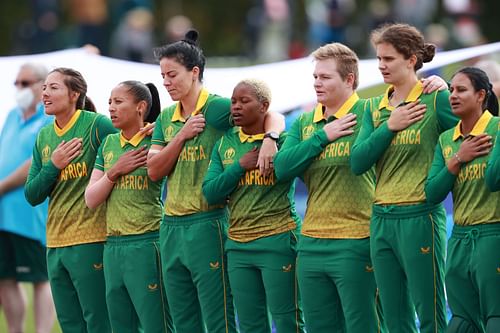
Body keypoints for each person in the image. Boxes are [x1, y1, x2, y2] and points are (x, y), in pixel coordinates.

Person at [147, 30, 285, 332]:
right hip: (170, 227)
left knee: (219, 317)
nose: (166, 82)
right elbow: (154, 171)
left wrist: (270, 139)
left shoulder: (219, 108)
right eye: (163, 76)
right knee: (183, 321)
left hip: (208, 222)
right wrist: (181, 136)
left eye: (172, 75)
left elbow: (271, 114)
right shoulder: (167, 118)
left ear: (194, 72)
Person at [350, 23, 459, 333]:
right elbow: (358, 162)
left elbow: (478, 123)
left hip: (420, 216)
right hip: (381, 218)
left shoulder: (436, 99)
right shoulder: (373, 108)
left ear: (411, 59)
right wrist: (390, 126)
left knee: (431, 315)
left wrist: (448, 85)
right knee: (394, 318)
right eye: (379, 59)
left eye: (389, 59)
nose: (381, 66)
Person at [274, 43, 382, 333]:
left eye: (325, 77)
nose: (317, 83)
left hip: (356, 239)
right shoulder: (306, 122)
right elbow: (282, 168)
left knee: (363, 326)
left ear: (349, 79)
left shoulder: (370, 111)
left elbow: (409, 100)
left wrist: (437, 83)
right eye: (315, 77)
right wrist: (323, 136)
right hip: (310, 243)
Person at [202, 79, 305, 333]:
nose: (235, 107)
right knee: (249, 324)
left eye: (244, 101)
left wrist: (271, 138)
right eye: (234, 101)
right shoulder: (225, 143)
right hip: (237, 246)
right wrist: (240, 166)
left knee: (287, 319)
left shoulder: (284, 139)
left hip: (277, 240)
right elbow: (210, 193)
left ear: (264, 106)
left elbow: (288, 165)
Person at [25, 67, 116, 333]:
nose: (45, 93)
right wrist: (53, 165)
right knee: (70, 325)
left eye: (53, 88)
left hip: (91, 240)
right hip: (55, 244)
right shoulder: (44, 135)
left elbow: (129, 143)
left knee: (98, 322)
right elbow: (32, 194)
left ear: (74, 94)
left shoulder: (96, 125)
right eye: (44, 88)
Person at [84, 80, 174, 333]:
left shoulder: (158, 140)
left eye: (118, 102)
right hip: (112, 246)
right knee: (120, 326)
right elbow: (91, 199)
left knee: (158, 324)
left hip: (147, 242)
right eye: (109, 102)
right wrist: (115, 171)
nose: (111, 108)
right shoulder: (109, 144)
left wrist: (164, 131)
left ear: (141, 107)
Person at [426, 67, 500, 333]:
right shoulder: (447, 139)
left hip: (493, 233)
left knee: (495, 317)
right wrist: (459, 158)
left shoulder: (497, 127)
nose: (453, 96)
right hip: (459, 238)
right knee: (461, 322)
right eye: (451, 90)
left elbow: (493, 179)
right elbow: (432, 193)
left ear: (481, 95)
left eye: (461, 90)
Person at [0, 63, 55, 333]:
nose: (19, 88)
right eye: (17, 83)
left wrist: (2, 185)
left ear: (42, 84)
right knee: (5, 278)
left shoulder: (49, 119)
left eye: (25, 83)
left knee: (39, 278)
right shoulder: (12, 115)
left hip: (31, 214)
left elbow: (36, 160)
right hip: (4, 214)